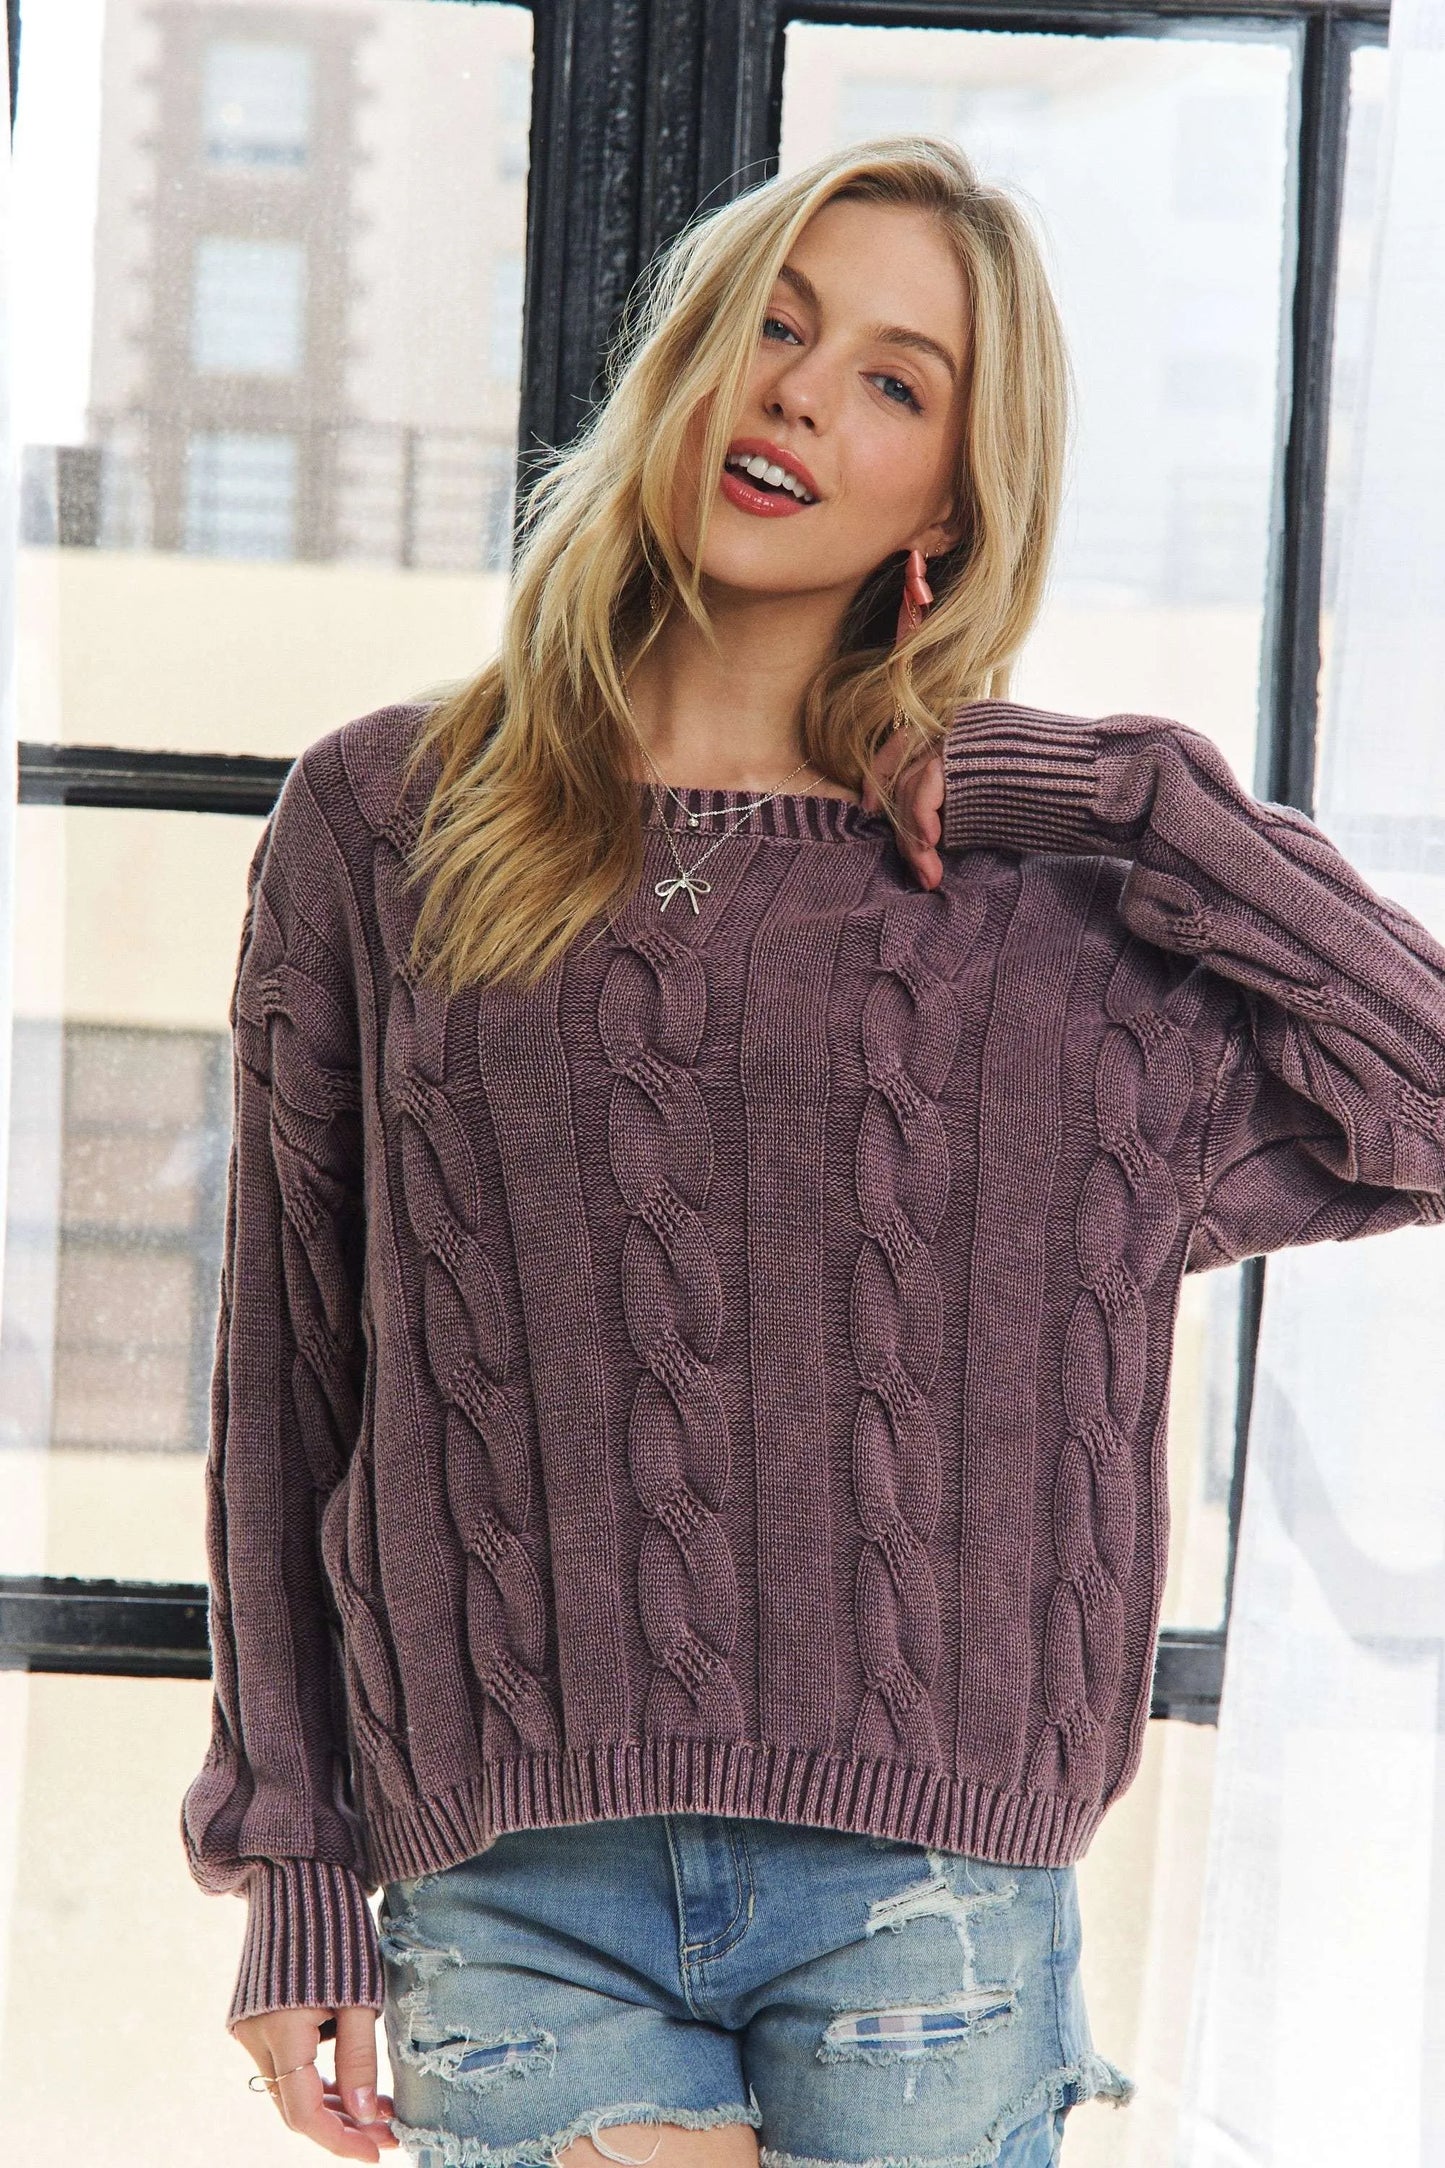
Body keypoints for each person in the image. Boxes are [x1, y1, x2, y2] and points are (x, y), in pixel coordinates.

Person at [181, 135, 1445, 2168]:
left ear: (949, 495)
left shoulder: (1047, 907)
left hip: (928, 1892)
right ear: (685, 362)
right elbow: (290, 1379)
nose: (796, 397)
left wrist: (1131, 797)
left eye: (891, 380)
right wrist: (294, 1863)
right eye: (772, 328)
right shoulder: (388, 820)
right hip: (514, 1889)